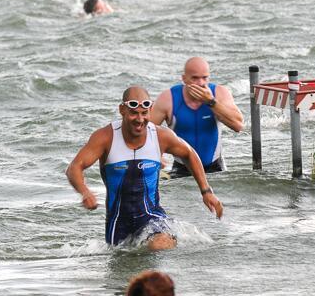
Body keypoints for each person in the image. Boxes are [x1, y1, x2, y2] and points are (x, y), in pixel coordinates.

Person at [66, 86, 224, 250]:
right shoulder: (106, 138)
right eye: (134, 113)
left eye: (144, 113)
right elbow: (74, 168)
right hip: (118, 223)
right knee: (123, 262)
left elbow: (189, 154)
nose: (140, 119)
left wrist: (206, 192)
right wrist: (85, 192)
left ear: (150, 110)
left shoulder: (160, 136)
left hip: (153, 216)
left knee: (160, 243)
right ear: (122, 110)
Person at [150, 57, 244, 178]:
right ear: (184, 79)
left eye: (204, 78)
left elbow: (238, 126)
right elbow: (146, 131)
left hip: (215, 168)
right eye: (195, 78)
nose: (200, 83)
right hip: (182, 170)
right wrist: (157, 155)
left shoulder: (219, 93)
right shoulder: (168, 98)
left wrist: (211, 102)